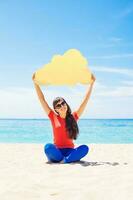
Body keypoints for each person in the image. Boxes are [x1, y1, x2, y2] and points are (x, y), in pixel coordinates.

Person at [32, 73, 96, 164]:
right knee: (47, 147)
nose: (62, 106)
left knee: (85, 148)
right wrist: (35, 83)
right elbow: (42, 99)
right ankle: (65, 159)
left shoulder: (74, 117)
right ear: (56, 110)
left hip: (70, 151)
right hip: (57, 152)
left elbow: (85, 100)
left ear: (66, 104)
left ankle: (65, 160)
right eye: (58, 105)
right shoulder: (53, 116)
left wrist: (92, 84)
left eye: (63, 103)